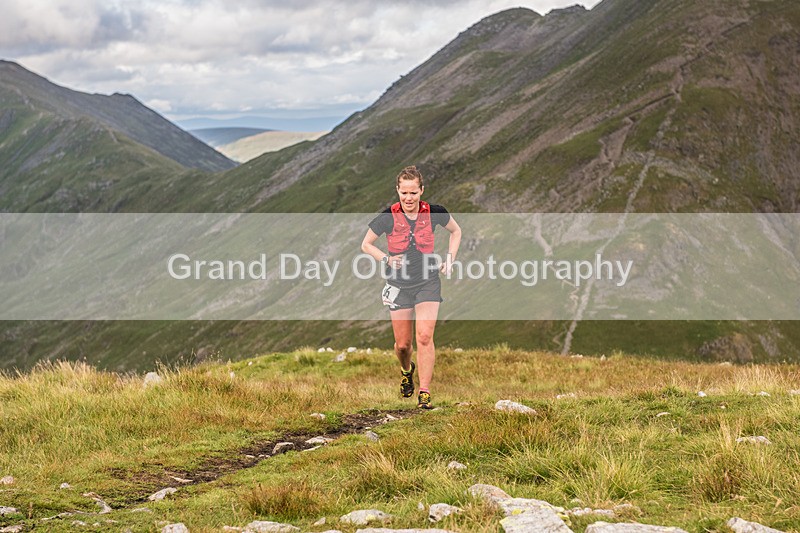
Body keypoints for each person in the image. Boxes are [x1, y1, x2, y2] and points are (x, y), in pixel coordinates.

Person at [361, 166, 461, 409]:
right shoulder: (387, 216)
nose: (408, 198)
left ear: (421, 191)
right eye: (404, 193)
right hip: (399, 285)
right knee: (403, 345)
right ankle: (407, 370)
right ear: (397, 191)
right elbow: (366, 244)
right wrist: (385, 258)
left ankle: (424, 392)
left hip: (428, 282)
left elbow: (456, 231)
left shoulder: (435, 212)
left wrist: (450, 258)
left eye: (413, 193)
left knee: (425, 337)